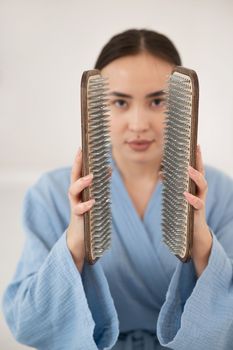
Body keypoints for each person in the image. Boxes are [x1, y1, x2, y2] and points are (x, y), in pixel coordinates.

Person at [2, 28, 233, 350]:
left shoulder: (221, 194)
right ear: (96, 105)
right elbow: (26, 323)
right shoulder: (52, 194)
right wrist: (74, 247)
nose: (138, 123)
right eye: (120, 102)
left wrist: (203, 248)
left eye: (157, 101)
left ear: (182, 103)